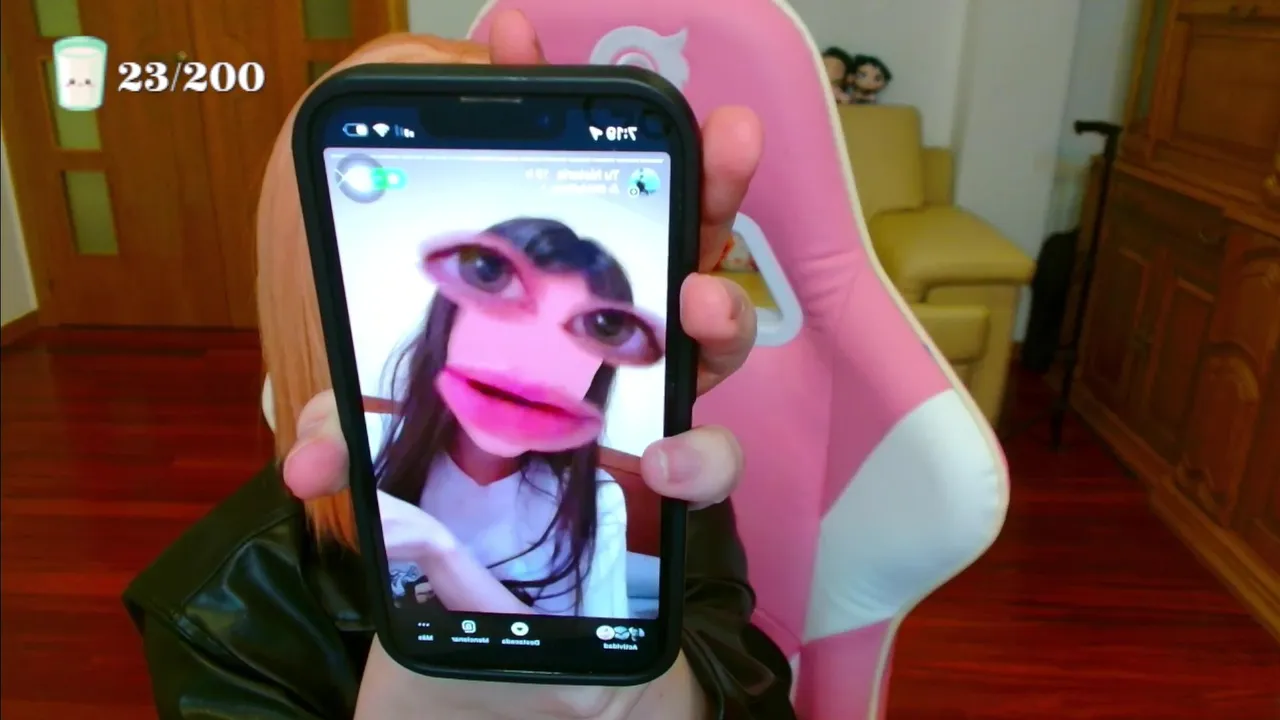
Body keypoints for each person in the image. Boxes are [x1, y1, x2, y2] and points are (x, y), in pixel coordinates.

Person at [124, 11, 797, 720]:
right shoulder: (221, 610)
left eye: (590, 329)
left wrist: (656, 700)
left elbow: (749, 684)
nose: (537, 359)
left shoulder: (634, 490)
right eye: (499, 294)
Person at [376, 218, 666, 619]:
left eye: (586, 332)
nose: (531, 362)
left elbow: (593, 651)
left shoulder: (596, 502)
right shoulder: (371, 448)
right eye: (505, 310)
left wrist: (438, 551)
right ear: (448, 324)